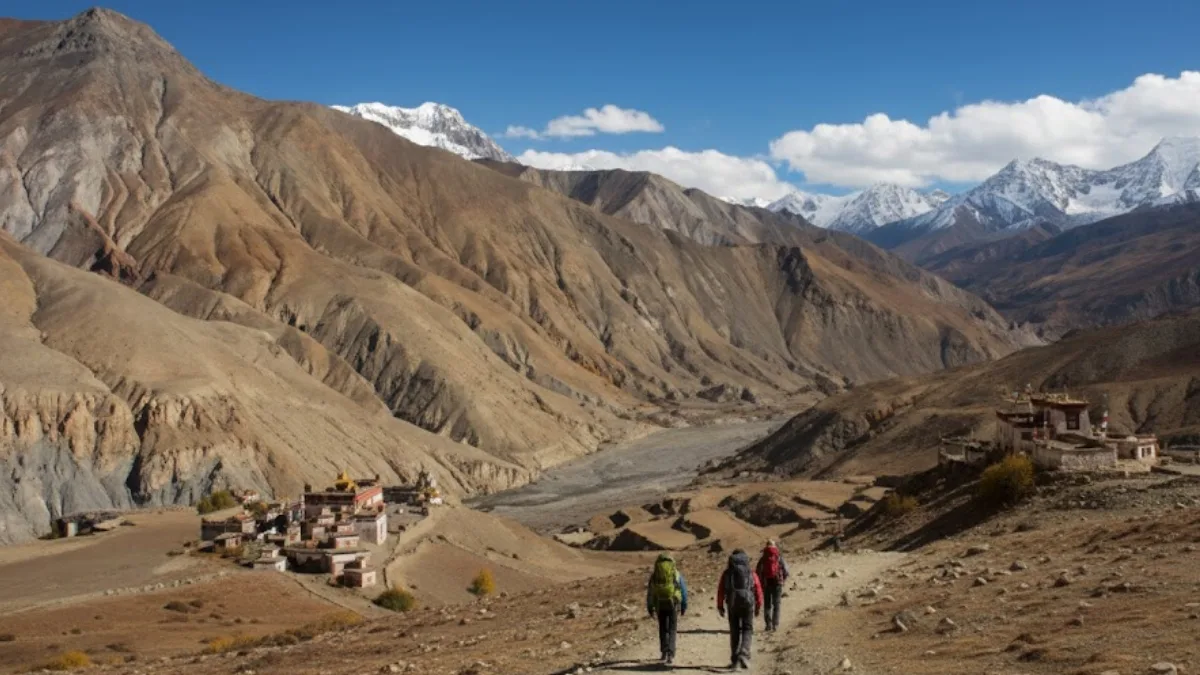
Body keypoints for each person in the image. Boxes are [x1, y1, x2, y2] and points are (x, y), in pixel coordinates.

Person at [717, 549, 763, 670]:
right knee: (748, 629)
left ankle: (735, 660)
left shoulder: (727, 573)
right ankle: (744, 652)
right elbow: (758, 588)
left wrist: (720, 606)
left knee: (735, 631)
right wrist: (758, 605)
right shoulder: (750, 572)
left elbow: (721, 590)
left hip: (732, 604)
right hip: (748, 603)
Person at [646, 552, 688, 664]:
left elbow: (650, 592)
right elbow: (683, 590)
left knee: (663, 627)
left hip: (660, 604)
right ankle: (671, 653)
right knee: (672, 628)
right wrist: (684, 605)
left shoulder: (655, 575)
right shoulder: (676, 573)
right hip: (673, 603)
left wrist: (650, 607)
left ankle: (664, 652)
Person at [756, 540, 790, 632]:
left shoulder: (763, 558)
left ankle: (768, 625)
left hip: (766, 583)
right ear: (774, 546)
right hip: (777, 583)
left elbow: (758, 572)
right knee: (777, 604)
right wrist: (783, 580)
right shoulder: (778, 557)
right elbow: (786, 570)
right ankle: (775, 625)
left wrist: (760, 583)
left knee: (767, 605)